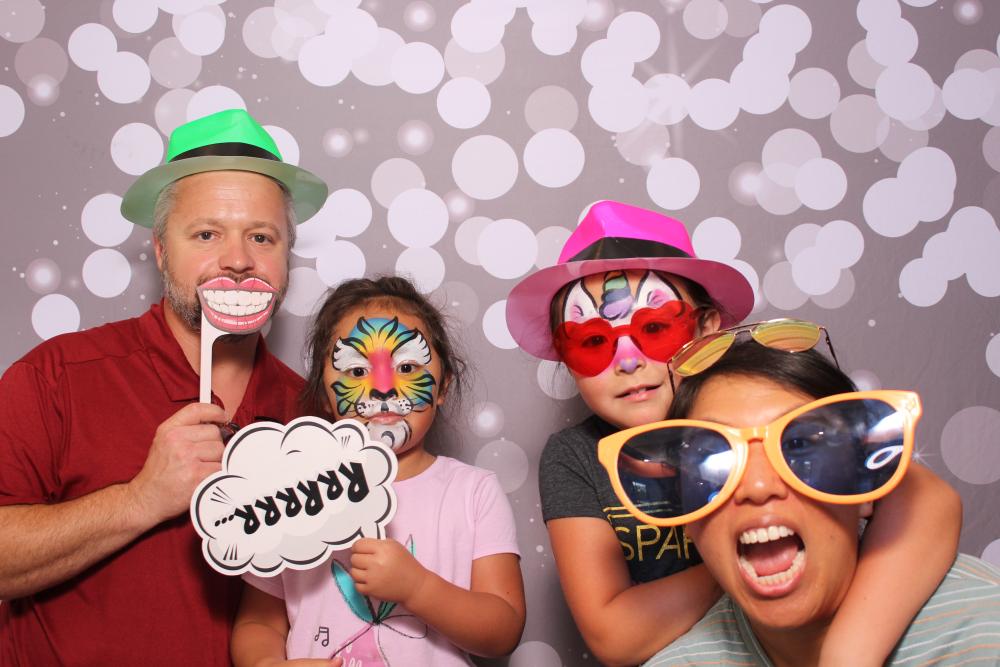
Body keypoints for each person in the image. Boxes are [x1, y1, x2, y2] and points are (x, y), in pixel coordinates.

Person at [504, 200, 963, 666]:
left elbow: (927, 500)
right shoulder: (576, 456)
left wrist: (848, 652)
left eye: (656, 328)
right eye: (593, 342)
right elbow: (614, 636)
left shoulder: (759, 405)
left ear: (707, 328)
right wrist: (742, 556)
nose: (627, 362)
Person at [0, 108, 328, 666]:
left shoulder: (314, 417)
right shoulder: (58, 376)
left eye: (261, 236)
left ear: (286, 257)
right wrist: (140, 499)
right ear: (159, 250)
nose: (238, 260)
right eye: (206, 234)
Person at [596, 328, 1000, 666]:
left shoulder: (982, 633)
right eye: (712, 460)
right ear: (687, 513)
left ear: (866, 489)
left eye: (801, 445)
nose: (757, 486)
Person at [231, 276, 526, 666]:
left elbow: (503, 630)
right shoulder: (292, 493)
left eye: (407, 366)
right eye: (356, 372)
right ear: (324, 395)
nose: (383, 388)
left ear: (442, 387)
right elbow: (258, 623)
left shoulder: (473, 492)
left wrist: (417, 588)